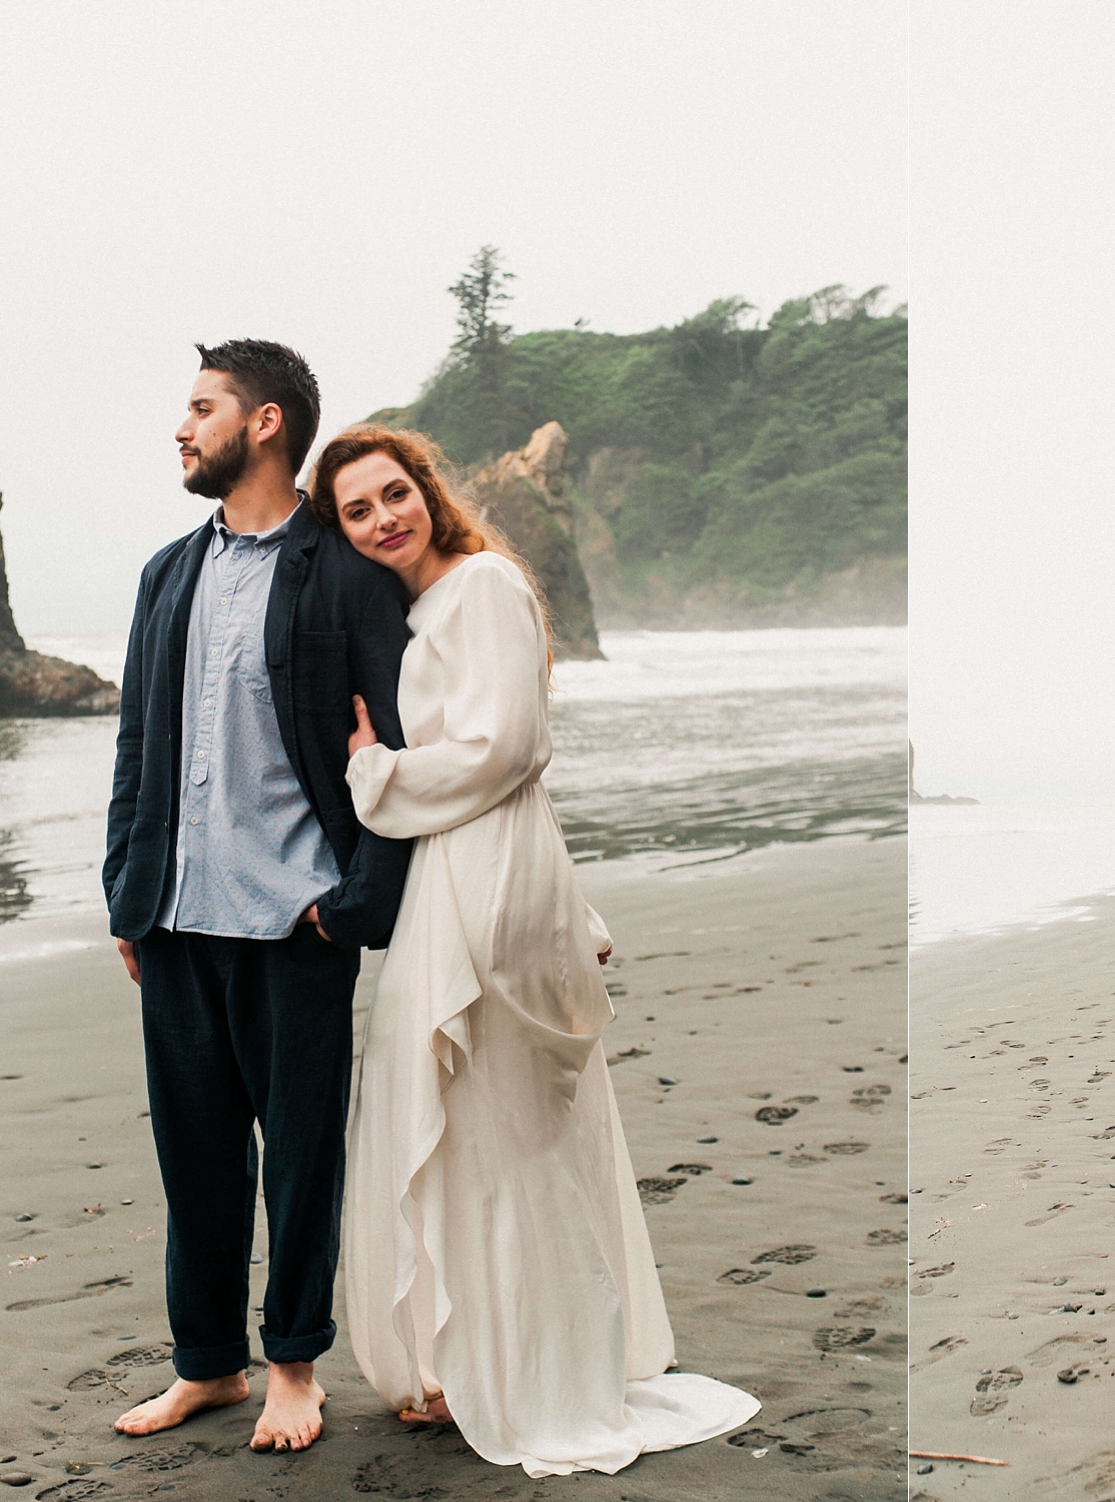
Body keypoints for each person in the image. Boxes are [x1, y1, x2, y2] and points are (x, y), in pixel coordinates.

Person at [311, 425, 759, 1477]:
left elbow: (509, 750)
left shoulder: (485, 584)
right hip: (462, 871)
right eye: (357, 510)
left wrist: (375, 776)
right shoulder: (420, 606)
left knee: (500, 1128)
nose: (384, 518)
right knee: (461, 1123)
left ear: (427, 488)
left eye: (393, 493)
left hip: (485, 883)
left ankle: (533, 1369)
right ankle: (468, 1355)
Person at [104, 342, 414, 1451]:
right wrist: (124, 893)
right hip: (175, 921)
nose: (182, 430)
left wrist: (353, 903)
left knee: (300, 1159)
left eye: (200, 409)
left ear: (265, 422)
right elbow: (139, 742)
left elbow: (398, 747)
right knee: (194, 1160)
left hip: (293, 923)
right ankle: (208, 1366)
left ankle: (293, 1364)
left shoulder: (344, 574)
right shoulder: (165, 574)